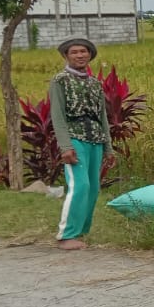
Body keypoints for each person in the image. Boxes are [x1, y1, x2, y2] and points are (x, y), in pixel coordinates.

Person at [49, 37, 112, 251]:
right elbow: (57, 115)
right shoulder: (60, 80)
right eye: (74, 52)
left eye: (83, 51)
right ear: (66, 56)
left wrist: (108, 147)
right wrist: (65, 146)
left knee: (93, 188)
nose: (79, 55)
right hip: (74, 137)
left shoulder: (95, 84)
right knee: (80, 185)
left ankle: (81, 232)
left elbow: (102, 117)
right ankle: (66, 235)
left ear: (90, 55)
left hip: (95, 138)